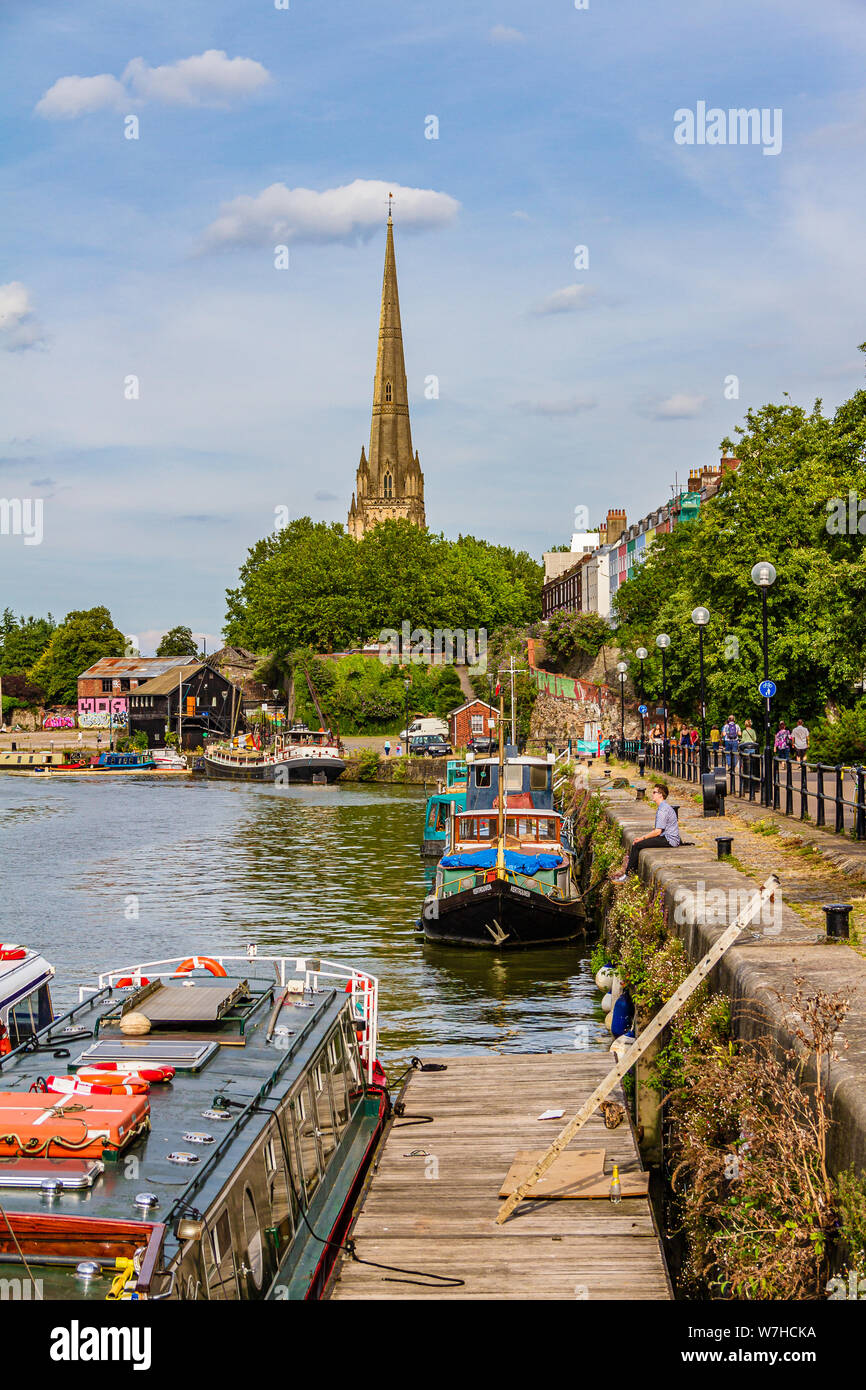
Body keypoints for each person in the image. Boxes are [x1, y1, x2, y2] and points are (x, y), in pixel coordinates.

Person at [611, 782, 681, 882]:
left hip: (669, 840)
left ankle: (628, 876)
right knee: (638, 843)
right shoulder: (663, 807)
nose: (652, 794)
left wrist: (642, 838)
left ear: (660, 795)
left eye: (654, 792)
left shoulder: (663, 810)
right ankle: (629, 873)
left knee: (637, 844)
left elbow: (657, 831)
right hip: (667, 837)